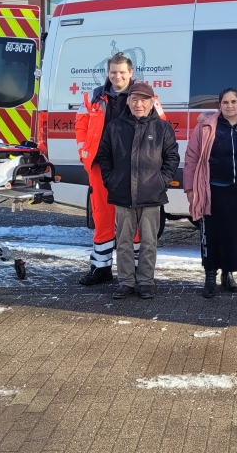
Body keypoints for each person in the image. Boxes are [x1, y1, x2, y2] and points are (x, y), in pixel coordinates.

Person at [96, 81, 180, 300]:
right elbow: (104, 155)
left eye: (144, 100)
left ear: (152, 103)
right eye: (134, 100)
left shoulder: (162, 128)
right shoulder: (114, 127)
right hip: (122, 194)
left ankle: (145, 282)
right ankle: (125, 282)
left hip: (151, 195)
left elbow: (172, 157)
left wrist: (161, 181)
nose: (139, 104)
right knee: (123, 242)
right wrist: (111, 180)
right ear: (128, 101)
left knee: (149, 242)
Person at [183, 88, 237, 298]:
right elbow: (191, 158)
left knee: (234, 235)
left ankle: (227, 274)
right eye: (225, 102)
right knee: (211, 234)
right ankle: (210, 275)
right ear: (219, 105)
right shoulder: (205, 126)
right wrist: (190, 188)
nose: (229, 106)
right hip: (211, 190)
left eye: (233, 102)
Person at [73, 52, 134, 287]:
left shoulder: (143, 96)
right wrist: (84, 153)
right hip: (101, 164)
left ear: (130, 73)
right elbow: (80, 126)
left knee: (133, 218)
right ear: (108, 73)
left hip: (131, 166)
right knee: (102, 216)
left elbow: (159, 126)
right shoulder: (93, 97)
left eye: (122, 72)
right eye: (113, 72)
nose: (118, 76)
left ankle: (135, 269)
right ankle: (101, 268)